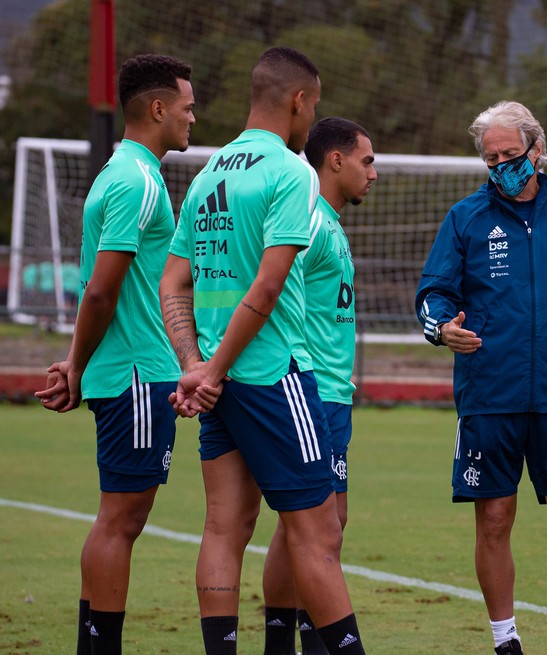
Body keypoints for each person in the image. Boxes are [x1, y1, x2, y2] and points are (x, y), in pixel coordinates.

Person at [158, 47, 367, 655]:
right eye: (315, 105)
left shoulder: (209, 172)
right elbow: (270, 284)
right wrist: (215, 368)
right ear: (299, 101)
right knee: (318, 530)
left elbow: (173, 283)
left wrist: (194, 367)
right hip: (272, 374)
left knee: (225, 525)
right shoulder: (292, 171)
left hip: (215, 382)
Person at [415, 100, 547, 655]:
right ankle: (506, 641)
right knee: (495, 518)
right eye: (492, 158)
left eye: (510, 154)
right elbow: (433, 294)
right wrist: (440, 329)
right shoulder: (465, 219)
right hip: (489, 394)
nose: (502, 164)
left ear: (537, 149)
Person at [34, 54, 195, 655]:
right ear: (157, 108)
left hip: (126, 371)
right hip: (137, 374)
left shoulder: (121, 172)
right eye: (186, 106)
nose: (191, 118)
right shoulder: (136, 180)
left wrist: (81, 363)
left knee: (116, 520)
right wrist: (76, 363)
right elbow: (102, 287)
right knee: (121, 522)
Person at [261, 117, 376, 655]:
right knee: (314, 525)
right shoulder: (309, 219)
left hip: (333, 393)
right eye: (366, 161)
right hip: (313, 391)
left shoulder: (329, 219)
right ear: (335, 160)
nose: (373, 173)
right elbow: (274, 281)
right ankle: (295, 641)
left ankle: (299, 640)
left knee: (312, 525)